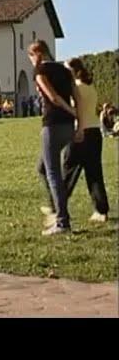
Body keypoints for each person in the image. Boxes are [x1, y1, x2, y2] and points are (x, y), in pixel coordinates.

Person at [45, 58, 109, 224]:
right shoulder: (90, 87)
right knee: (94, 172)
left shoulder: (76, 88)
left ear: (73, 71)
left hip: (80, 132)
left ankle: (56, 207)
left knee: (68, 171)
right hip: (95, 131)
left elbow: (75, 109)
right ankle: (101, 210)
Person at [30, 40, 82, 236]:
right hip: (68, 127)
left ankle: (62, 221)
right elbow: (78, 98)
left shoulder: (40, 71)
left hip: (52, 125)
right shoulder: (65, 70)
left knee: (53, 173)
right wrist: (80, 124)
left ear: (37, 54)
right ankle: (56, 208)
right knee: (43, 167)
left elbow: (53, 98)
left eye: (31, 56)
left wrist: (71, 112)